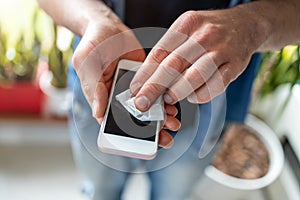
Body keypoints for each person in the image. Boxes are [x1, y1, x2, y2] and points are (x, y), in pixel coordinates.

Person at [38, 0, 300, 199]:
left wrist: (253, 26)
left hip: (210, 95)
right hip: (102, 77)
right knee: (101, 189)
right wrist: (94, 19)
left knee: (173, 193)